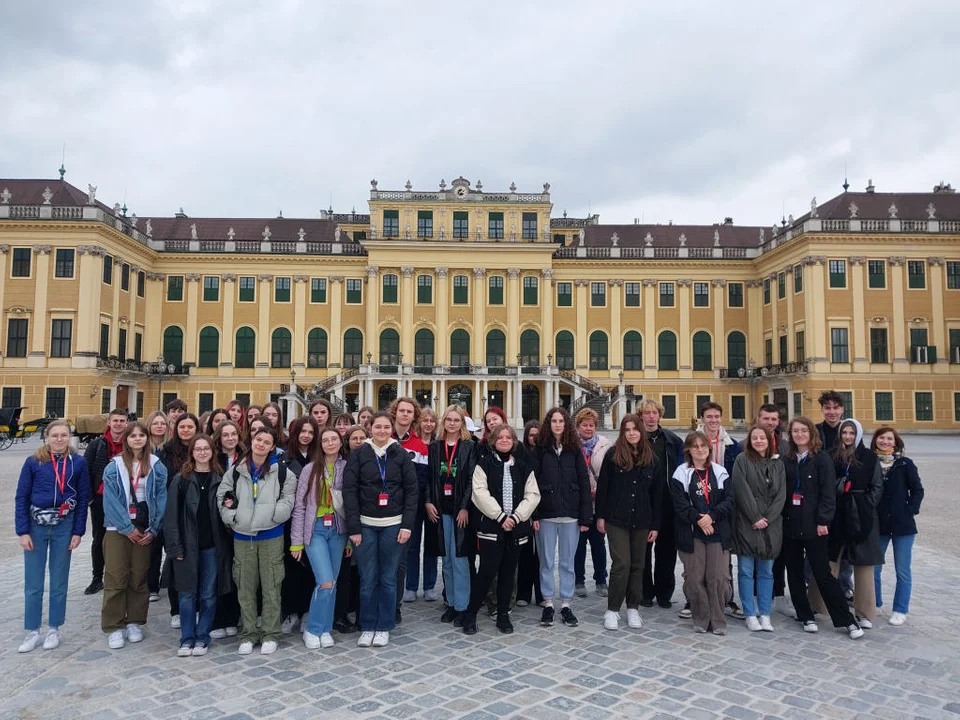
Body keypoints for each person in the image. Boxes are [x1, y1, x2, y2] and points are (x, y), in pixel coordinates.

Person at [781, 417, 863, 639]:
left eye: (803, 431)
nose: (799, 435)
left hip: (815, 526)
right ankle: (804, 614)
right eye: (795, 431)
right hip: (790, 525)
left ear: (811, 433)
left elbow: (828, 494)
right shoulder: (786, 460)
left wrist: (823, 521)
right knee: (795, 573)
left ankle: (847, 620)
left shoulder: (822, 459)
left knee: (823, 573)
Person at [217, 428, 297, 655]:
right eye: (258, 440)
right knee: (245, 586)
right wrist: (232, 518)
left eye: (266, 442)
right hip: (243, 537)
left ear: (273, 447)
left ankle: (271, 632)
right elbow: (223, 496)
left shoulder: (282, 472)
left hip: (271, 535)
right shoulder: (236, 471)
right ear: (252, 442)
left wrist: (273, 515)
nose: (261, 444)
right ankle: (249, 633)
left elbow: (288, 499)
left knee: (272, 586)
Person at [343, 412, 418, 648]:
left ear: (391, 429)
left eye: (386, 427)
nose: (382, 431)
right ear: (370, 428)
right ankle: (367, 625)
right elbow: (349, 491)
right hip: (365, 525)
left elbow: (411, 491)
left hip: (393, 525)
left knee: (387, 578)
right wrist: (353, 528)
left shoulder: (401, 454)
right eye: (378, 427)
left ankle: (384, 625)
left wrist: (407, 525)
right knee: (367, 578)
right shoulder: (360, 455)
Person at [16, 421, 90, 652]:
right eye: (55, 435)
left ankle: (54, 628)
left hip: (63, 525)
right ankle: (32, 631)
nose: (59, 439)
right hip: (37, 525)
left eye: (64, 435)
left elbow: (84, 498)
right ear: (46, 437)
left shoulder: (78, 463)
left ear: (70, 437)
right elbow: (21, 497)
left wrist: (78, 531)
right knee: (34, 582)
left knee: (59, 581)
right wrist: (23, 531)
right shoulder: (33, 462)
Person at [462, 424, 540, 635]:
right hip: (491, 527)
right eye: (500, 437)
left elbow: (532, 495)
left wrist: (515, 517)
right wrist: (500, 516)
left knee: (508, 573)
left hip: (515, 528)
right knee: (486, 573)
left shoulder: (524, 466)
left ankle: (503, 614)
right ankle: (470, 614)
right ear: (493, 441)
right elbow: (479, 493)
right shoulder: (484, 464)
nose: (504, 440)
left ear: (514, 441)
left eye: (508, 437)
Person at [809, 419, 883, 628]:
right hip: (835, 513)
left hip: (860, 515)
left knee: (863, 563)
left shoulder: (869, 457)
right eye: (844, 433)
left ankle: (864, 612)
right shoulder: (831, 457)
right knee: (829, 560)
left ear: (858, 434)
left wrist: (865, 504)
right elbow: (823, 483)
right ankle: (818, 604)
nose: (848, 437)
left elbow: (877, 486)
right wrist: (837, 487)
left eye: (852, 433)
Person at [101, 422, 168, 649]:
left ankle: (134, 621)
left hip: (145, 526)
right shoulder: (114, 466)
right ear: (126, 439)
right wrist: (126, 528)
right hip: (118, 528)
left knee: (139, 576)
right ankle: (114, 625)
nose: (137, 439)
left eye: (141, 435)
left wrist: (154, 528)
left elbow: (161, 498)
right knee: (116, 576)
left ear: (147, 439)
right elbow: (110, 500)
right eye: (133, 436)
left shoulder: (157, 466)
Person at [162, 435, 230, 656]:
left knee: (209, 594)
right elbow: (171, 516)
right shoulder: (181, 480)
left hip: (212, 546)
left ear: (212, 451)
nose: (202, 452)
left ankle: (202, 636)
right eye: (198, 449)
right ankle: (186, 637)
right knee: (186, 594)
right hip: (187, 546)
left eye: (206, 449)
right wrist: (174, 548)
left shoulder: (220, 478)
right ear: (192, 452)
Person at [595, 414, 662, 631]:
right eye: (627, 429)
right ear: (622, 432)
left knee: (638, 565)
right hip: (617, 518)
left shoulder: (652, 459)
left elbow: (657, 495)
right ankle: (613, 609)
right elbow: (604, 488)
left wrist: (655, 525)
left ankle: (633, 607)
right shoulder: (613, 455)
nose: (632, 433)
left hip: (643, 520)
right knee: (621, 564)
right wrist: (601, 516)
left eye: (635, 429)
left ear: (641, 432)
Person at [670, 431, 734, 635]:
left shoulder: (720, 471)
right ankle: (701, 616)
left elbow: (729, 500)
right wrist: (699, 519)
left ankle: (718, 619)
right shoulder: (681, 473)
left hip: (716, 531)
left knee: (717, 577)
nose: (700, 450)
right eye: (695, 446)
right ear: (688, 449)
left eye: (703, 446)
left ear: (709, 448)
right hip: (692, 532)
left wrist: (711, 516)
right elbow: (680, 504)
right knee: (695, 577)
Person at [533, 407, 591, 628]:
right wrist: (534, 514)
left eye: (561, 421)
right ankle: (548, 602)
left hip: (570, 514)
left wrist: (586, 517)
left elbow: (584, 483)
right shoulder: (540, 449)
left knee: (567, 562)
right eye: (554, 421)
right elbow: (532, 482)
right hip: (546, 513)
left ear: (567, 424)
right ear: (549, 424)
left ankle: (566, 603)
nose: (558, 424)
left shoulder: (574, 449)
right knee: (546, 561)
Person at [291, 428, 348, 649]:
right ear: (320, 444)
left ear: (340, 443)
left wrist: (352, 537)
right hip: (315, 530)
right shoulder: (310, 469)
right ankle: (313, 628)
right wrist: (296, 541)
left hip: (338, 530)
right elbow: (300, 506)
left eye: (334, 439)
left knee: (332, 582)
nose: (330, 443)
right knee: (324, 580)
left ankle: (325, 627)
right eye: (326, 440)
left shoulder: (346, 467)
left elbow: (351, 503)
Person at [424, 405, 477, 626]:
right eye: (449, 419)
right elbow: (429, 477)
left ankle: (464, 606)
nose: (452, 423)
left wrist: (465, 507)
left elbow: (472, 479)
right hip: (440, 509)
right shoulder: (436, 447)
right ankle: (452, 603)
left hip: (459, 511)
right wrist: (428, 501)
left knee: (460, 559)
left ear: (462, 424)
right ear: (443, 422)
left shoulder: (469, 447)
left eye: (457, 420)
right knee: (446, 559)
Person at [730, 425, 786, 632]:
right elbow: (740, 490)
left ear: (769, 440)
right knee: (745, 570)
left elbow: (781, 495)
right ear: (749, 440)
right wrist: (755, 517)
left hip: (771, 525)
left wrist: (768, 519)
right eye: (755, 438)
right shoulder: (742, 461)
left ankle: (765, 613)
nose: (759, 441)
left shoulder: (777, 464)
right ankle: (749, 613)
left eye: (762, 437)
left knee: (766, 572)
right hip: (747, 522)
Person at [872, 427, 924, 626]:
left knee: (902, 570)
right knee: (874, 568)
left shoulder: (905, 464)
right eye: (881, 438)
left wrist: (910, 510)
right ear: (876, 440)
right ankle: (875, 603)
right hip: (879, 525)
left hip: (903, 526)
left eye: (889, 439)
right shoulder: (871, 462)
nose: (885, 441)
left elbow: (917, 490)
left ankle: (900, 609)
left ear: (895, 442)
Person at [696, 401, 743, 618]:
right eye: (709, 416)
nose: (713, 420)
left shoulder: (732, 445)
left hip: (723, 505)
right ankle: (695, 600)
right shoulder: (692, 442)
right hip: (699, 504)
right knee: (698, 557)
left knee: (724, 553)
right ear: (702, 418)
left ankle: (727, 598)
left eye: (716, 416)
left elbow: (735, 478)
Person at [636, 399, 683, 610]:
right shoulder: (635, 440)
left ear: (659, 415)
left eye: (654, 413)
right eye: (647, 413)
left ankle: (664, 593)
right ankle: (645, 592)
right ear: (641, 416)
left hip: (667, 504)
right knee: (642, 552)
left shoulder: (672, 440)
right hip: (643, 505)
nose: (651, 416)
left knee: (666, 553)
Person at [153, 413, 199, 624]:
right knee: (174, 560)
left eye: (190, 426)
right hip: (173, 511)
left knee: (195, 562)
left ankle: (194, 605)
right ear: (176, 429)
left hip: (196, 513)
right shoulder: (167, 452)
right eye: (183, 426)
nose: (186, 430)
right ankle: (176, 610)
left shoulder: (202, 448)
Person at [391, 398, 434, 609]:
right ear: (395, 413)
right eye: (402, 411)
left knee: (420, 544)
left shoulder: (419, 446)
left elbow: (422, 478)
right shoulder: (383, 439)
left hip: (413, 504)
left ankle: (427, 585)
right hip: (388, 506)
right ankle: (409, 585)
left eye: (409, 411)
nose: (405, 414)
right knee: (408, 547)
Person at [279, 417, 320, 634]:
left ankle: (307, 612)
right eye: (302, 432)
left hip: (313, 521)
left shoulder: (318, 457)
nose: (306, 436)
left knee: (311, 570)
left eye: (310, 432)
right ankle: (291, 612)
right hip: (290, 522)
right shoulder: (284, 458)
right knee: (291, 570)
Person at [83, 408, 129, 595]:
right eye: (115, 420)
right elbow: (85, 471)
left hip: (124, 498)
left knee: (124, 536)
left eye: (122, 421)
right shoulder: (97, 445)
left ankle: (122, 575)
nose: (118, 424)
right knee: (99, 538)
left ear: (126, 423)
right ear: (109, 422)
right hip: (100, 498)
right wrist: (89, 497)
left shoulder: (130, 444)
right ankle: (96, 577)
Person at [814, 391, 854, 600]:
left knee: (844, 544)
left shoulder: (849, 431)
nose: (831, 412)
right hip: (820, 496)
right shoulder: (815, 431)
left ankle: (845, 585)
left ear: (842, 409)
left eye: (835, 407)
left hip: (843, 497)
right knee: (817, 542)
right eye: (827, 408)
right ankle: (813, 584)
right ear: (822, 410)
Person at [209, 420, 244, 639]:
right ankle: (218, 618)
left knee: (237, 571)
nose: (230, 438)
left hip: (240, 521)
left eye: (233, 434)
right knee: (218, 570)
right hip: (216, 522)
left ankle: (233, 616)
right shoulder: (213, 460)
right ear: (218, 438)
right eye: (225, 435)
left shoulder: (246, 458)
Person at [573, 408, 611, 599]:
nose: (588, 428)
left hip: (599, 502)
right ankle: (578, 580)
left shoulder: (605, 445)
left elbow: (609, 473)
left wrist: (601, 491)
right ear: (578, 426)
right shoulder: (571, 444)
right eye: (584, 425)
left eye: (591, 425)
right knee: (578, 545)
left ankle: (601, 580)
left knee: (598, 544)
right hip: (579, 503)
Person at [333, 425, 367, 634]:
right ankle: (340, 614)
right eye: (354, 438)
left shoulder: (372, 460)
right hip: (343, 522)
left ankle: (359, 610)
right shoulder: (342, 464)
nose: (358, 441)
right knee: (344, 571)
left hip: (367, 521)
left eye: (363, 437)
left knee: (361, 571)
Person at [515, 420, 544, 607]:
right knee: (525, 553)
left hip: (543, 508)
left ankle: (542, 594)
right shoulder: (521, 454)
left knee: (541, 554)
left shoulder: (546, 453)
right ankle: (523, 593)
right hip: (525, 507)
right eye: (531, 434)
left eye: (537, 434)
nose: (534, 438)